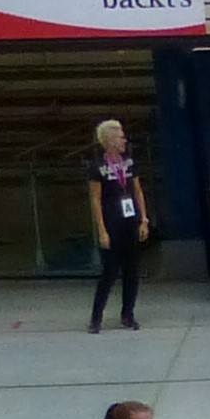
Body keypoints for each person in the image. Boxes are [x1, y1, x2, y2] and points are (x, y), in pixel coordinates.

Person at [87, 119, 149, 334]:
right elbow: (95, 199)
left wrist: (144, 219)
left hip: (130, 221)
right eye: (121, 137)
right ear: (110, 140)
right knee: (110, 271)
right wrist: (102, 230)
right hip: (112, 221)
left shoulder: (129, 162)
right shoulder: (97, 167)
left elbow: (137, 190)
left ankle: (128, 314)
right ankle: (96, 317)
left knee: (132, 270)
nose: (124, 141)